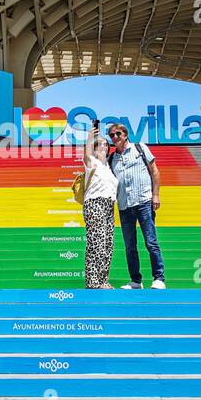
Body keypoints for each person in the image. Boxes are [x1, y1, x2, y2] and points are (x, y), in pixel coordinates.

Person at [107, 122, 166, 289]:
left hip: (143, 202)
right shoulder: (112, 158)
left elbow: (154, 171)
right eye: (111, 135)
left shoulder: (140, 148)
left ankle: (159, 278)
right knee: (129, 246)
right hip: (125, 206)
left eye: (118, 133)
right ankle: (135, 280)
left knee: (150, 242)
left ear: (125, 134)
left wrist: (156, 194)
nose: (115, 137)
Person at [81, 119, 118, 289]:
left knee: (108, 244)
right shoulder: (92, 164)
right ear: (94, 149)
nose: (103, 147)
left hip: (109, 206)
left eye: (105, 145)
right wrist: (90, 138)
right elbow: (86, 154)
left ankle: (103, 280)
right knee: (97, 242)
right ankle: (93, 281)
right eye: (99, 145)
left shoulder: (109, 168)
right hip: (95, 203)